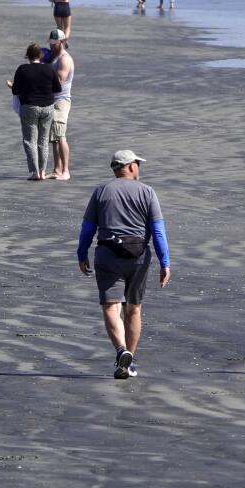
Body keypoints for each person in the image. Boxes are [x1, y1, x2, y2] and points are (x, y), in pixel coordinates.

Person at [77, 150, 172, 379]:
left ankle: (122, 351)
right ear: (129, 166)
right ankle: (130, 363)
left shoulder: (101, 191)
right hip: (138, 255)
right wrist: (165, 262)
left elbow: (87, 228)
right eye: (137, 163)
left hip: (107, 254)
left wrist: (82, 254)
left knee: (111, 307)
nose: (139, 167)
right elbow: (158, 232)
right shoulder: (147, 192)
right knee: (134, 309)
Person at [7, 43, 60, 181]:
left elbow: (15, 91)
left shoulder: (22, 69)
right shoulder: (48, 69)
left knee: (30, 140)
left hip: (30, 107)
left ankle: (35, 172)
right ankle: (42, 172)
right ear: (40, 55)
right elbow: (57, 88)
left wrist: (13, 85)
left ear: (28, 56)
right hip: (48, 107)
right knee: (43, 141)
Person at [47, 29, 73, 181]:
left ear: (62, 42)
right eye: (50, 43)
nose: (51, 46)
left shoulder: (64, 59)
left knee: (60, 135)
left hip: (61, 100)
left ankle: (66, 171)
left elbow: (60, 82)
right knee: (54, 137)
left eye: (54, 44)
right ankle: (56, 170)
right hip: (51, 100)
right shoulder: (53, 57)